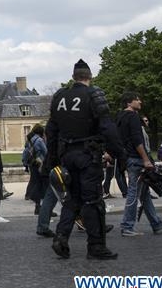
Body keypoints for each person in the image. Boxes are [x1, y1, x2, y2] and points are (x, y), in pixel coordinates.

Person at [47, 59, 123, 260]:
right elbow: (107, 126)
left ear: (73, 77)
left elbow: (51, 130)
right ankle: (96, 246)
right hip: (88, 155)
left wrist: (52, 158)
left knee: (72, 199)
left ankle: (61, 236)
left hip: (67, 155)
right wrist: (118, 152)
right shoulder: (93, 94)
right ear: (90, 76)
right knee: (93, 201)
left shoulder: (60, 96)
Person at [116, 92, 162, 236]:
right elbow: (137, 140)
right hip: (136, 159)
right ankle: (127, 226)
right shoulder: (133, 116)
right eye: (137, 99)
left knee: (144, 192)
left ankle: (156, 223)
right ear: (129, 103)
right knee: (133, 193)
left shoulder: (120, 117)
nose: (140, 102)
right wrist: (146, 159)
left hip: (128, 158)